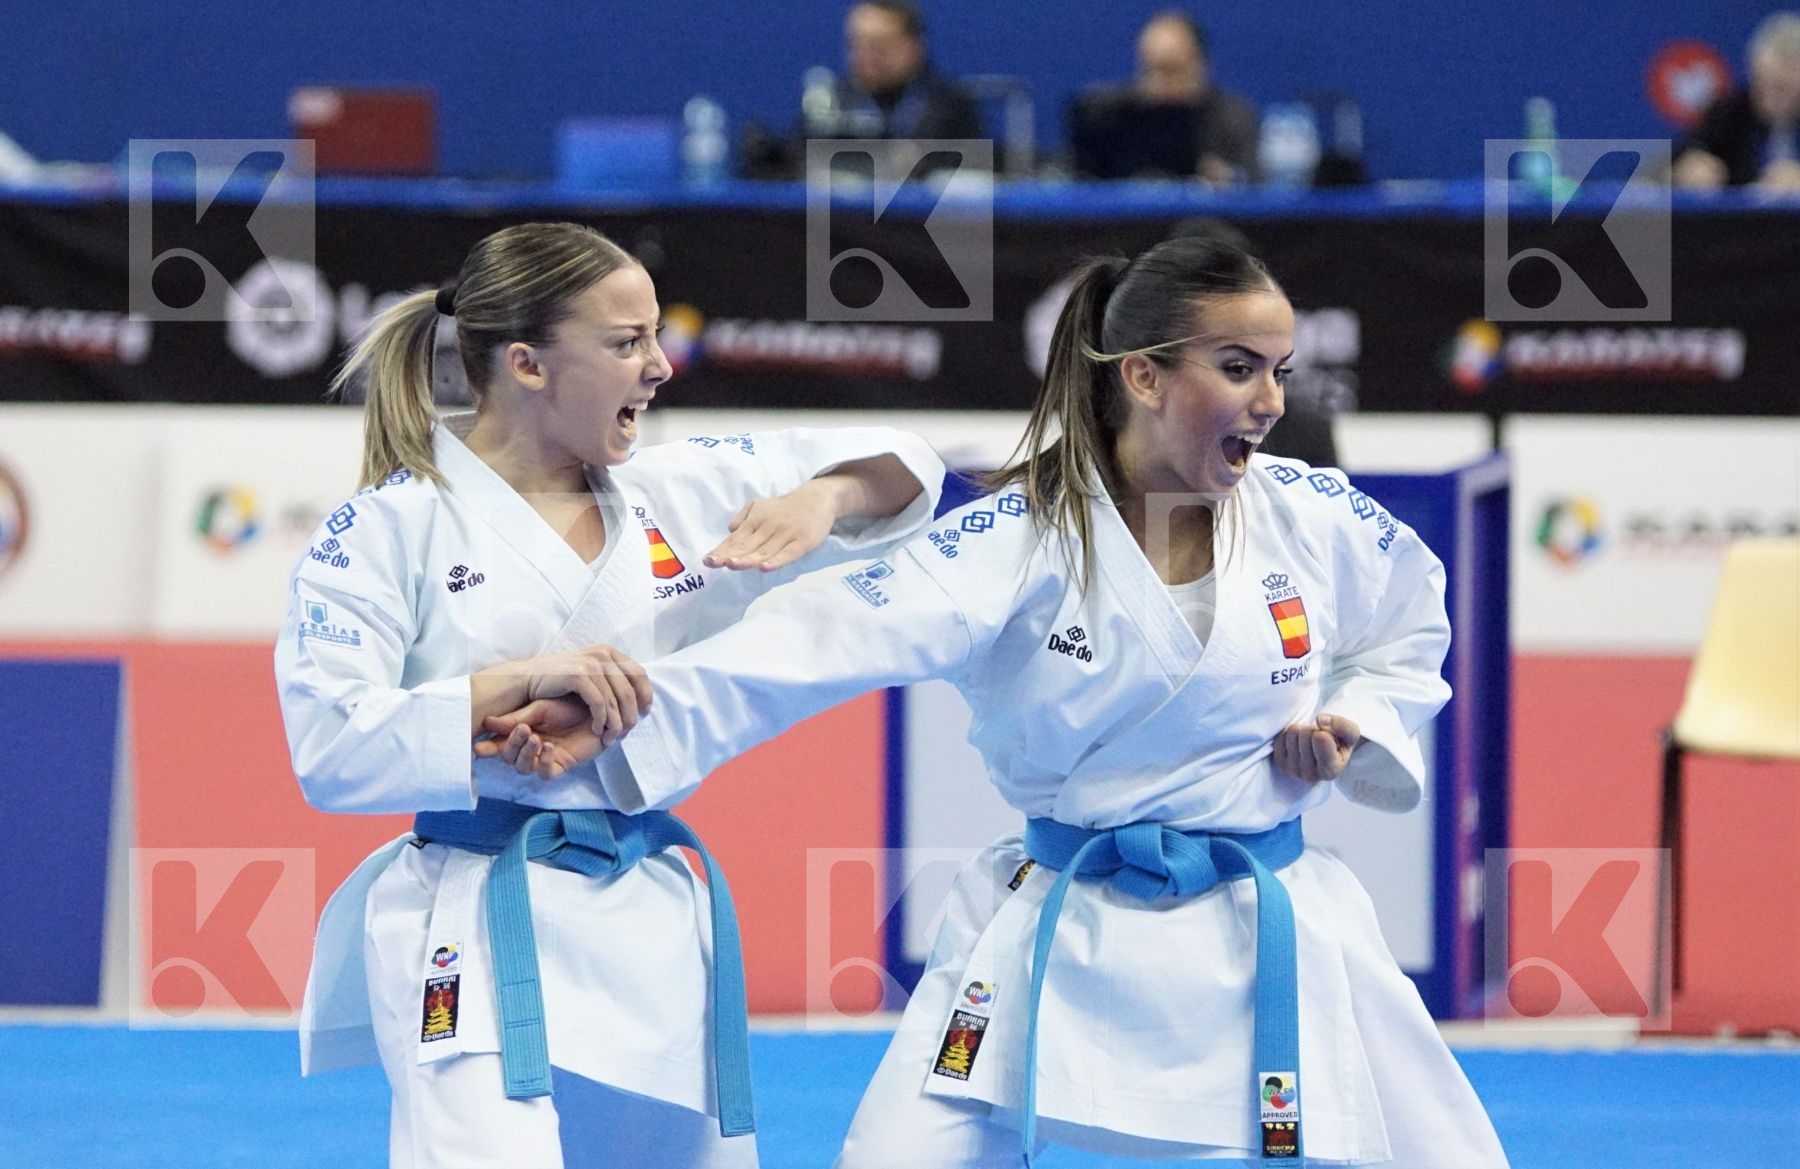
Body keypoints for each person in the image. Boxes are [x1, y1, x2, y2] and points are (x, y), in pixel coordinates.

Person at [492, 235, 1511, 1167]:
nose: (1272, 401)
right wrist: (620, 708)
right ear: (1144, 376)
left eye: (1279, 372)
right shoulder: (1018, 536)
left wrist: (1357, 722)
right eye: (1238, 368)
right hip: (1062, 925)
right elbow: (812, 641)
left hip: (1276, 922)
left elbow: (1408, 628)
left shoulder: (1313, 514)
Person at [273, 220, 947, 1169]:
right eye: (626, 342)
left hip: (646, 916)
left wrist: (824, 497)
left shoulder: (681, 489)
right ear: (528, 365)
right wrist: (506, 685)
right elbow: (330, 750)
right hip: (466, 914)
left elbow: (907, 462)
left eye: (655, 336)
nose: (660, 366)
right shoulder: (389, 526)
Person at [1069, 11, 1259, 183]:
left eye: (1171, 70)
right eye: (1149, 70)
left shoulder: (1231, 118)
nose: (1159, 82)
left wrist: (1229, 178)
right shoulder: (1108, 117)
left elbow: (1254, 180)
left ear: (1201, 65)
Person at [817, 0, 984, 142]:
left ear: (914, 46)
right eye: (858, 44)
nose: (868, 56)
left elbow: (977, 167)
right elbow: (798, 161)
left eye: (881, 44)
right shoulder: (829, 105)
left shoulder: (949, 106)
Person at [1673, 11, 1800, 190]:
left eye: (1784, 88)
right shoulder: (1728, 112)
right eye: (1764, 86)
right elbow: (1681, 158)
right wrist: (1689, 168)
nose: (1773, 99)